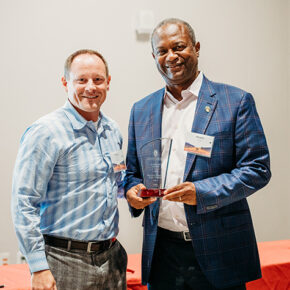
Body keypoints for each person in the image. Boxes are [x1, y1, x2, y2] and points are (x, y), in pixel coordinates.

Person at [125, 18, 271, 290]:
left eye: (179, 47)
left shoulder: (235, 101)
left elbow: (257, 169)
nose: (171, 57)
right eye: (162, 51)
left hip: (219, 250)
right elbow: (132, 173)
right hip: (162, 253)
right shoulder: (141, 110)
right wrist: (132, 192)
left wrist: (201, 192)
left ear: (196, 47)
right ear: (154, 56)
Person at [12, 49, 127, 290]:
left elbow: (115, 184)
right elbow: (24, 202)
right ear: (65, 83)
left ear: (108, 82)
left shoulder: (112, 130)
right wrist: (38, 267)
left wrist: (134, 190)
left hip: (112, 258)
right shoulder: (45, 132)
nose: (91, 87)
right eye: (81, 80)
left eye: (97, 79)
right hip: (63, 261)